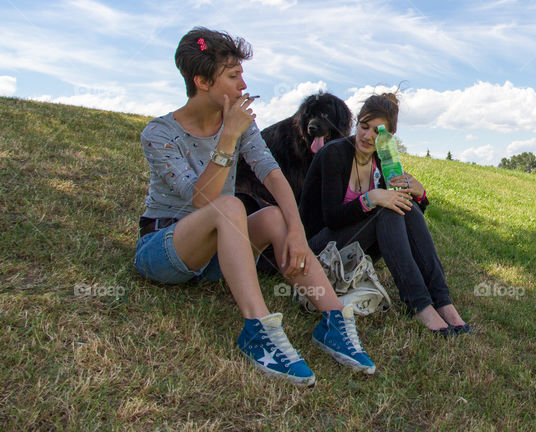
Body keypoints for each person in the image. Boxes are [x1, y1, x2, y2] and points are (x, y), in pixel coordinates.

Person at [135, 27, 376, 385]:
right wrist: (228, 137)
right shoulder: (159, 133)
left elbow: (273, 175)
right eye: (233, 76)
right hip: (167, 249)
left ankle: (334, 319)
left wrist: (295, 233)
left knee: (275, 215)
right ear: (201, 81)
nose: (243, 85)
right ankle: (257, 329)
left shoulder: (242, 125)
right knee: (230, 206)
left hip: (219, 256)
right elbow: (201, 199)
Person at [299, 93, 471, 336]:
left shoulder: (383, 160)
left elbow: (407, 217)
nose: (368, 136)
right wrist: (373, 198)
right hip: (318, 251)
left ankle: (443, 302)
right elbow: (331, 218)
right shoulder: (334, 154)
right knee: (385, 208)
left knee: (400, 204)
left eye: (377, 131)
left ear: (389, 136)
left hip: (355, 248)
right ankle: (420, 305)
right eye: (363, 126)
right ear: (357, 124)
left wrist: (420, 195)